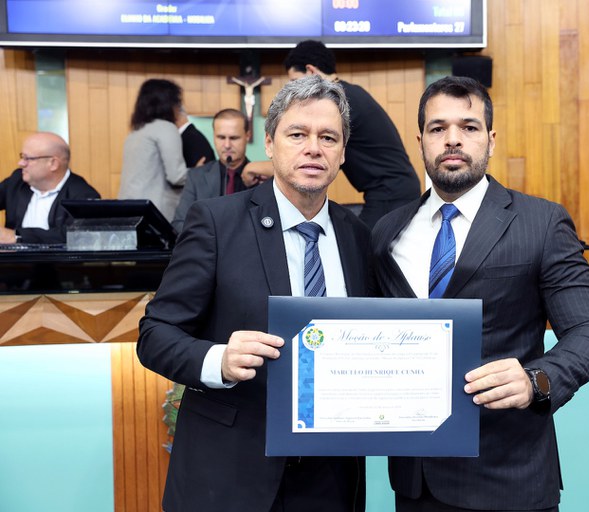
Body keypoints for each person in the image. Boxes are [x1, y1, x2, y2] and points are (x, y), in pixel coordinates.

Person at [370, 76, 589, 511]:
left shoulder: (541, 222)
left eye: (468, 127)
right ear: (420, 141)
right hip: (415, 482)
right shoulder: (387, 231)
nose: (453, 139)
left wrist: (537, 380)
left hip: (509, 477)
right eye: (438, 128)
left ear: (491, 139)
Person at [136, 75, 369, 512]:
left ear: (342, 152)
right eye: (297, 134)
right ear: (269, 143)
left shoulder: (357, 236)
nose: (313, 148)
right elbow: (155, 335)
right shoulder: (215, 222)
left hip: (330, 478)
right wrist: (218, 360)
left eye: (328, 137)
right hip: (228, 475)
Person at [284, 39, 421, 229]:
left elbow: (309, 158)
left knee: (359, 245)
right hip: (393, 191)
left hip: (391, 194)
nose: (295, 91)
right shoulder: (350, 93)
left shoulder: (340, 102)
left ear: (311, 71)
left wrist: (256, 168)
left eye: (295, 81)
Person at [172, 108, 269, 232]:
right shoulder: (196, 177)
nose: (227, 145)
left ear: (247, 136)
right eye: (221, 137)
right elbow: (179, 224)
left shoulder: (262, 178)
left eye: (234, 138)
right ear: (214, 136)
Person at [0, 132, 100, 244]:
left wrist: (16, 237)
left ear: (53, 164)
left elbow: (76, 236)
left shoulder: (83, 195)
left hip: (55, 256)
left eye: (27, 158)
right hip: (12, 256)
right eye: (22, 157)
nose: (21, 163)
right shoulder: (17, 181)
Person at [118, 78, 193, 222]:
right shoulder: (166, 128)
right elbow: (176, 176)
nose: (179, 107)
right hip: (154, 211)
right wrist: (201, 172)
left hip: (127, 209)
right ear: (168, 103)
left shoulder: (136, 132)